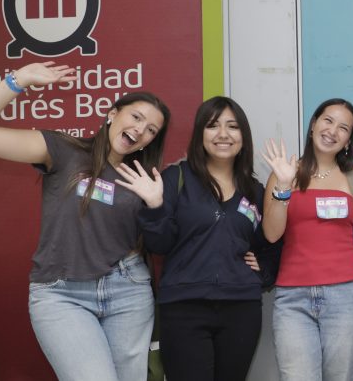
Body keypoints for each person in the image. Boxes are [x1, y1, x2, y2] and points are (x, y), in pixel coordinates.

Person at [0, 62, 171, 381]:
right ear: (113, 114)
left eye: (151, 129)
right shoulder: (64, 150)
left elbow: (160, 243)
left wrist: (155, 205)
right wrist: (19, 80)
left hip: (129, 291)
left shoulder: (145, 180)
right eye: (136, 117)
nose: (140, 130)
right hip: (62, 294)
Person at [117, 96, 280, 381]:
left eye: (232, 126)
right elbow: (159, 245)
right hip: (184, 307)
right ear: (200, 134)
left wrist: (263, 272)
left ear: (243, 137)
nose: (223, 134)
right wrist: (154, 208)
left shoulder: (254, 190)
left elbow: (271, 241)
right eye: (212, 125)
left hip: (241, 308)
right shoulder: (175, 178)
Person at [261, 98, 353, 381]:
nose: (333, 131)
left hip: (347, 297)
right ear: (313, 125)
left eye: (343, 128)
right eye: (328, 121)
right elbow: (271, 233)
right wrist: (283, 186)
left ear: (348, 141)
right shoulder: (283, 173)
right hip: (292, 298)